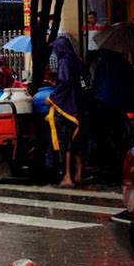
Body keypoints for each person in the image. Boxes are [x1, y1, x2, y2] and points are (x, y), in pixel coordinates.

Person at [46, 36, 91, 188]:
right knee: (78, 142)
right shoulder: (77, 61)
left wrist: (52, 97)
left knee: (66, 144)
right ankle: (78, 175)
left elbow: (64, 82)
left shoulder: (64, 61)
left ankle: (67, 176)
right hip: (81, 107)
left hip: (68, 109)